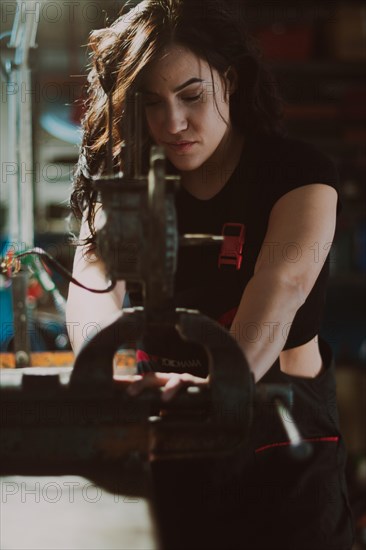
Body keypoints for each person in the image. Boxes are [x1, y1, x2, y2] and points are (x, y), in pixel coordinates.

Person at [66, 1, 354, 548]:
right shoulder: (125, 183)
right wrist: (104, 374)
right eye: (151, 103)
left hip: (280, 459)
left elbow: (282, 285)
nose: (172, 123)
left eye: (191, 96)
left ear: (231, 79)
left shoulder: (299, 175)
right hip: (165, 449)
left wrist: (220, 389)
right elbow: (92, 283)